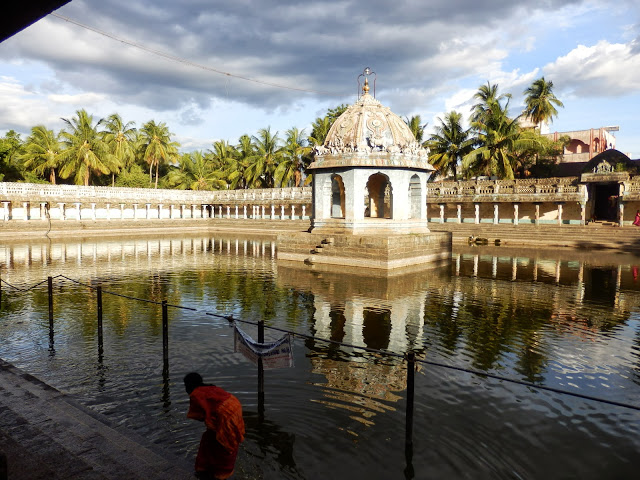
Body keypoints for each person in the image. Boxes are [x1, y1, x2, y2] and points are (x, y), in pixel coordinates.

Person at [184, 372, 245, 480]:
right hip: (234, 405)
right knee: (213, 439)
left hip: (226, 414)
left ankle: (219, 475)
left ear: (188, 385)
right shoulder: (209, 387)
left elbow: (200, 416)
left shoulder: (196, 394)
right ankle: (207, 469)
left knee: (225, 444)